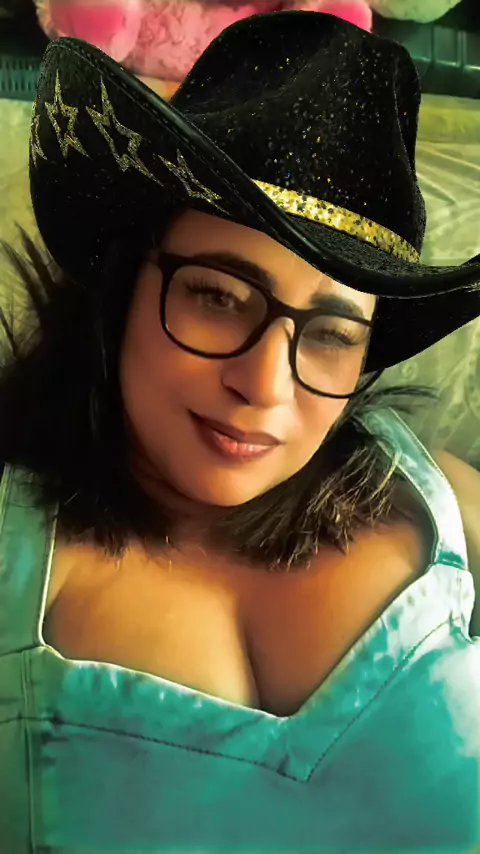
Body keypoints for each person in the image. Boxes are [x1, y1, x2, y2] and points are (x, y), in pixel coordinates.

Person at [0, 9, 480, 853]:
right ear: (126, 281)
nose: (263, 385)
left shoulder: (439, 503)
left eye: (331, 334)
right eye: (218, 297)